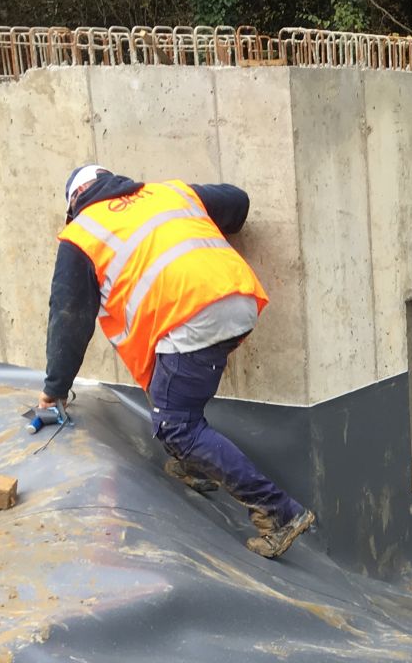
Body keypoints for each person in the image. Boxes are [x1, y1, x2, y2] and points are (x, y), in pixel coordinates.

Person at [38, 165, 317, 559]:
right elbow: (237, 202)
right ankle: (196, 467)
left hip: (192, 316)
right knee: (174, 388)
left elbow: (68, 318)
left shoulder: (82, 235)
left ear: (74, 205)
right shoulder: (169, 193)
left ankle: (278, 511)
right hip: (239, 300)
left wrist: (54, 390)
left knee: (176, 425)